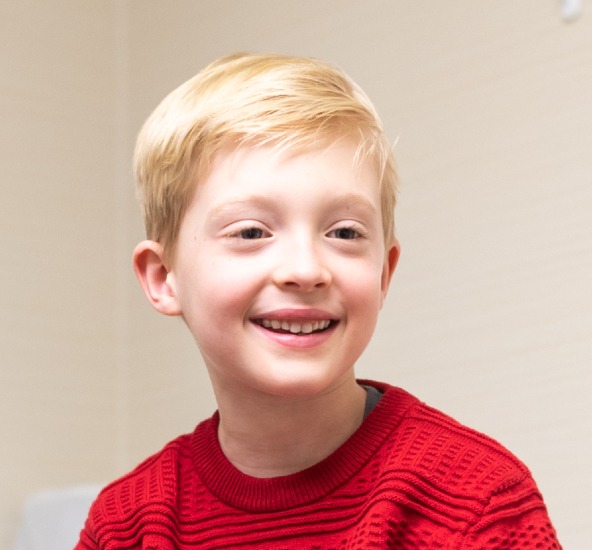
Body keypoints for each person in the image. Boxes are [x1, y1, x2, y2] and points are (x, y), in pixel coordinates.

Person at [77, 53, 561, 549]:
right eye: (251, 231)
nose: (305, 270)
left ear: (383, 273)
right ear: (164, 278)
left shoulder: (476, 500)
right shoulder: (126, 526)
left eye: (344, 232)